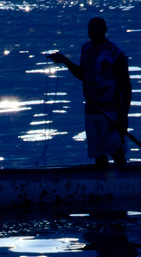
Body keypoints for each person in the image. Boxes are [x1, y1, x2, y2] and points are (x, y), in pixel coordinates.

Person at [47, 17, 133, 167]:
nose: (93, 32)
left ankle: (124, 182)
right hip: (92, 111)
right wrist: (65, 61)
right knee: (98, 154)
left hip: (110, 112)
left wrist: (123, 116)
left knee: (116, 151)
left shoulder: (116, 54)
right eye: (90, 28)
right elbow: (83, 75)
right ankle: (102, 183)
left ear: (105, 30)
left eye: (96, 28)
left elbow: (126, 87)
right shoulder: (86, 49)